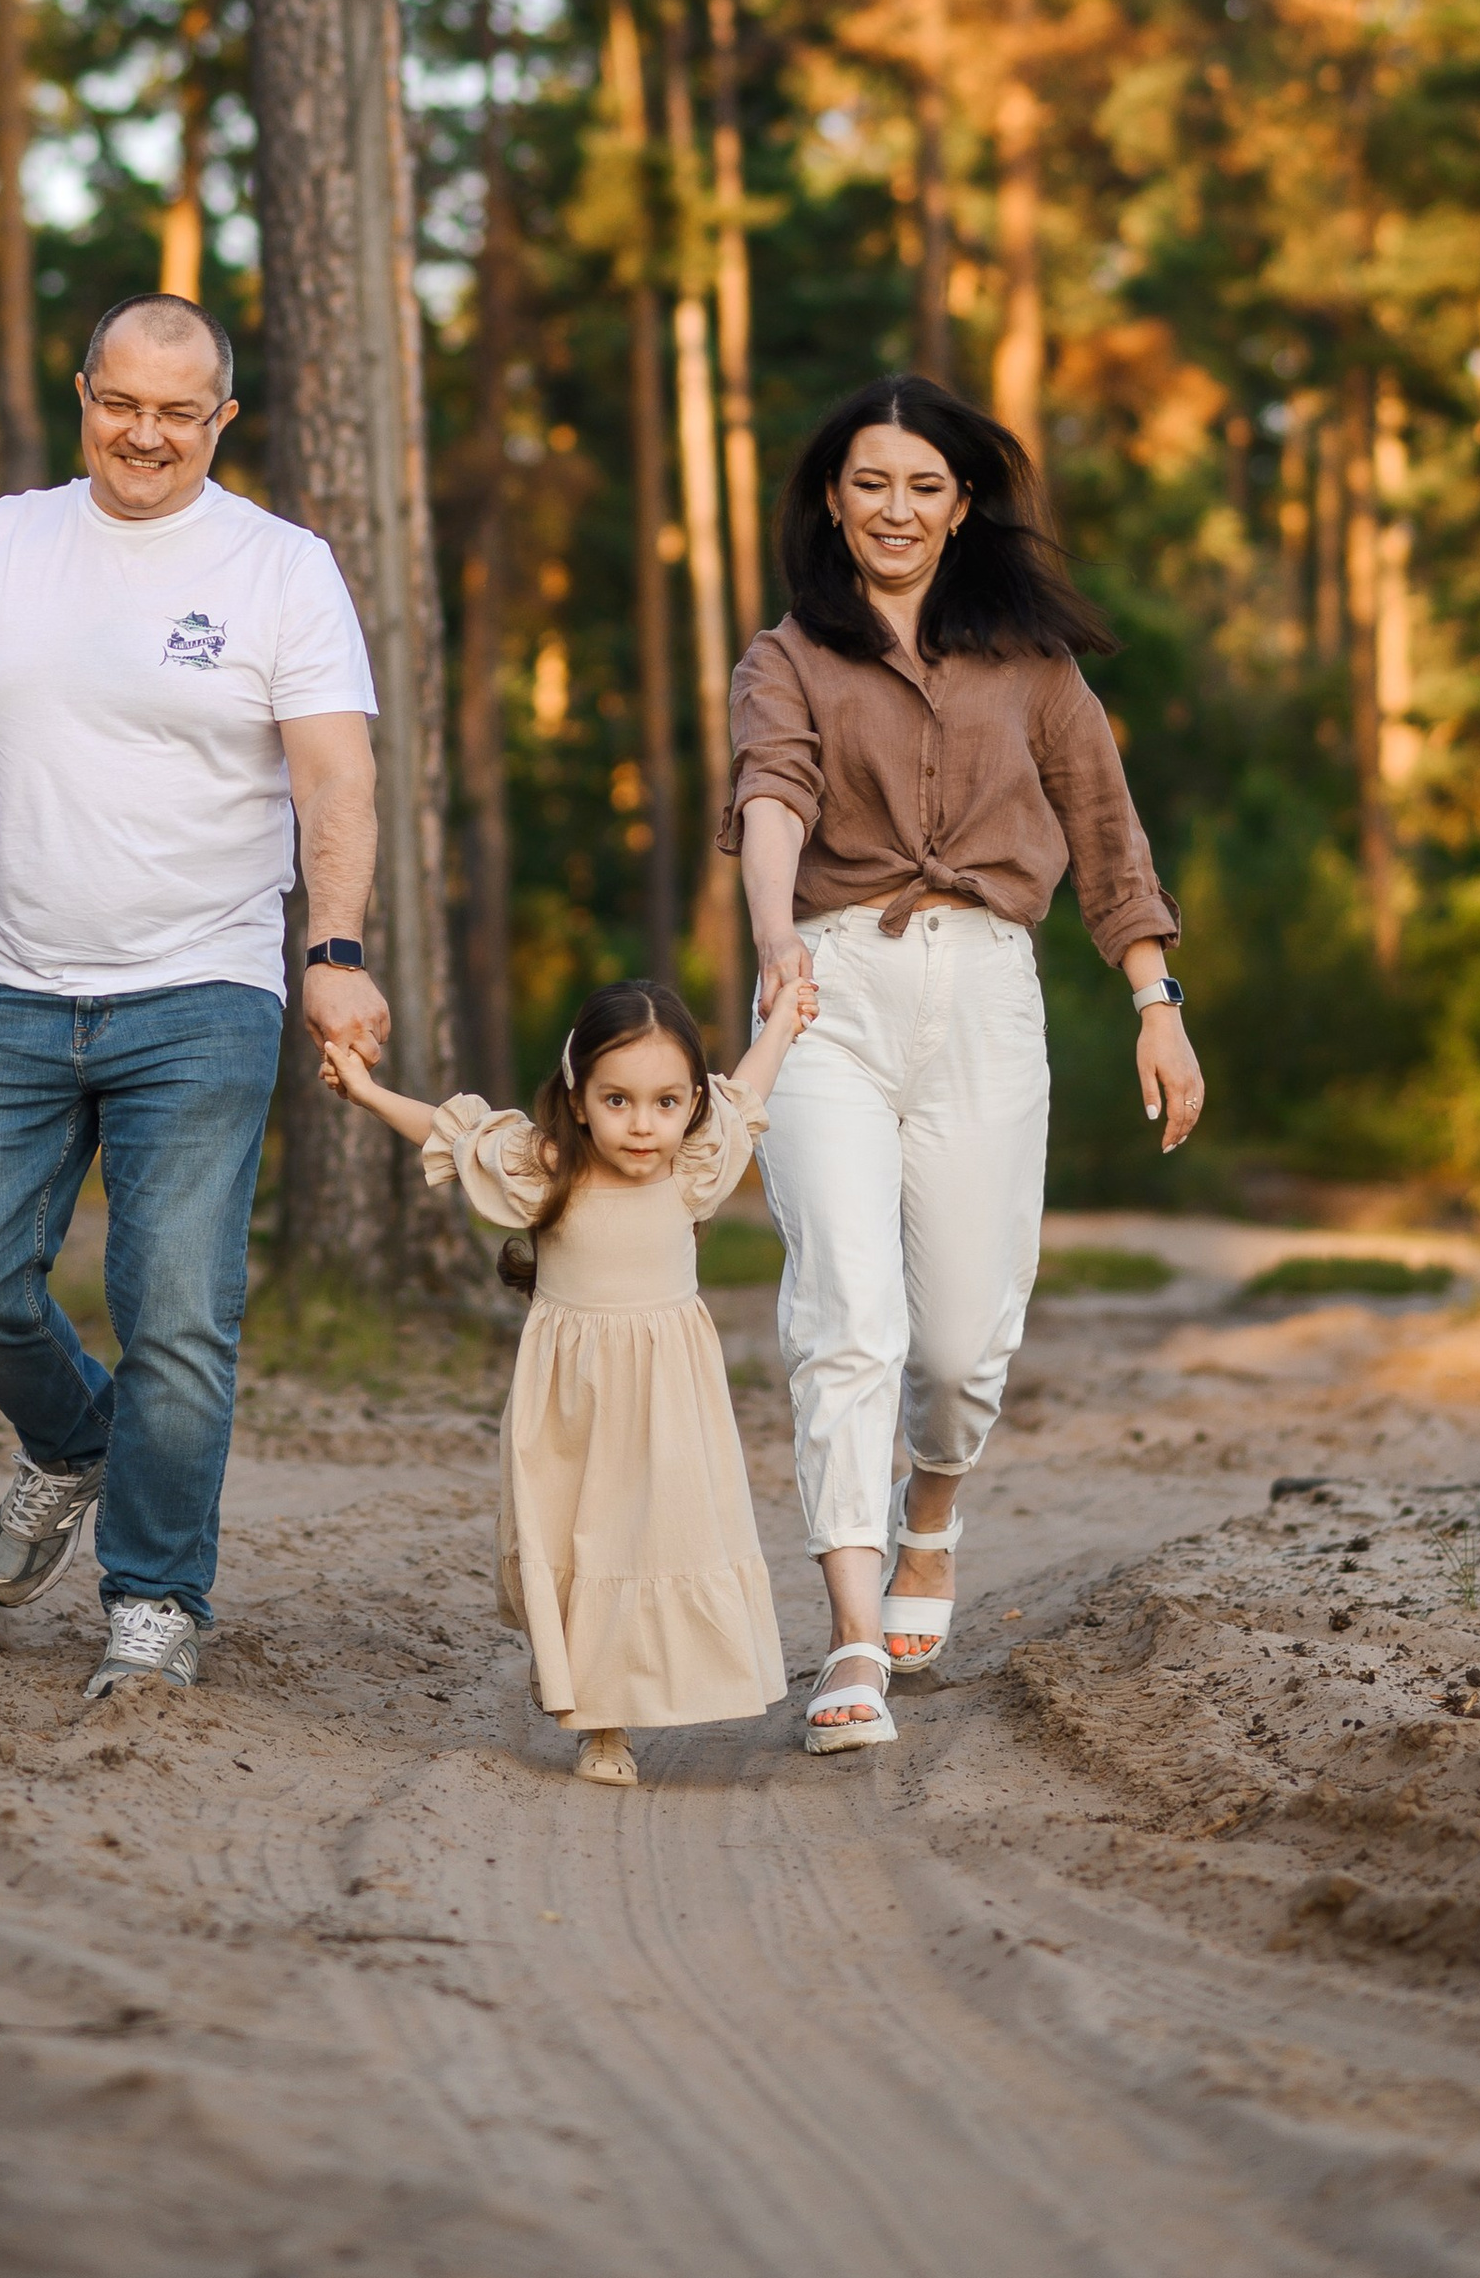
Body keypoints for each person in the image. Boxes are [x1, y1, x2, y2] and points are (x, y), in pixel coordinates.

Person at [0, 292, 389, 1700]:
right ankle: (74, 1439)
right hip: (2, 988)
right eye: (119, 404)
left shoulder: (281, 568)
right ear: (82, 394)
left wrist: (334, 952)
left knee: (179, 1310)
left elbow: (333, 777)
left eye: (178, 412)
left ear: (222, 421)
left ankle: (153, 1600)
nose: (145, 435)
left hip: (199, 990)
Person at [721, 374, 1205, 1755]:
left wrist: (1154, 1000)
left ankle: (933, 1503)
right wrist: (774, 943)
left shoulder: (1030, 665)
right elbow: (771, 798)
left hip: (986, 991)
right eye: (871, 483)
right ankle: (854, 1639)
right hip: (828, 989)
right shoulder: (789, 656)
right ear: (833, 497)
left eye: (924, 486)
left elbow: (1106, 834)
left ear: (962, 503)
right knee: (846, 1318)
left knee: (957, 1343)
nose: (896, 509)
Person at [320, 972, 815, 1787]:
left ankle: (655, 1686)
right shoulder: (544, 1167)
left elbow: (749, 1088)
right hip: (571, 1402)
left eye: (666, 1101)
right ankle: (602, 1727)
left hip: (668, 1396)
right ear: (579, 1097)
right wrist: (368, 1091)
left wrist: (787, 1021)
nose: (644, 1124)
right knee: (584, 1543)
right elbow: (452, 1135)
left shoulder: (692, 1167)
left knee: (659, 1537)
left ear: (691, 1102)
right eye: (617, 1100)